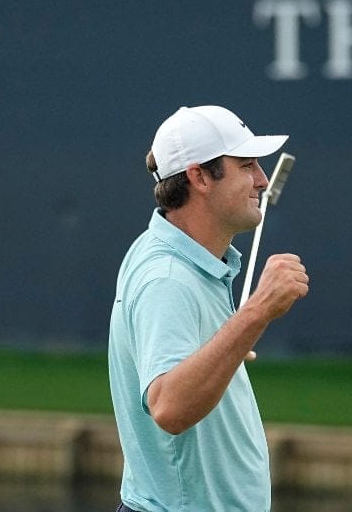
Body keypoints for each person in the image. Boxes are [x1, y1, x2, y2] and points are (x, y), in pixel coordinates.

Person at [108, 105, 309, 512]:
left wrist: (237, 334)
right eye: (247, 165)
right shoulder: (166, 276)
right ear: (199, 177)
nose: (262, 180)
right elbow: (169, 406)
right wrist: (256, 312)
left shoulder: (189, 259)